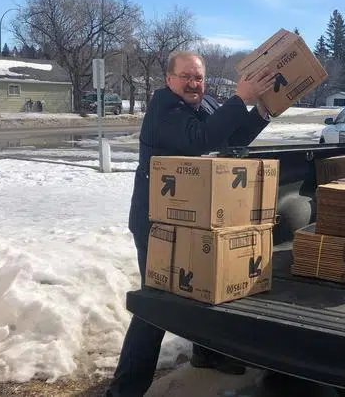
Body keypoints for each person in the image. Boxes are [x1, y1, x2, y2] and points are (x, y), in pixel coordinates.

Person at [106, 51, 275, 397]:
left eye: (198, 77)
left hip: (192, 219)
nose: (193, 84)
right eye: (185, 76)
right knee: (156, 304)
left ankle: (206, 354)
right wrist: (240, 98)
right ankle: (124, 390)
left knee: (204, 289)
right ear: (169, 79)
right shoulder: (163, 109)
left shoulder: (206, 104)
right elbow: (200, 139)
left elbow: (231, 138)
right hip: (157, 224)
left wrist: (261, 111)